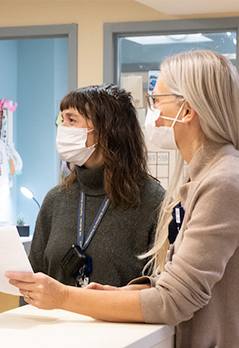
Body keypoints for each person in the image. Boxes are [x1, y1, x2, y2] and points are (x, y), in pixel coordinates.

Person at [5, 49, 239, 348]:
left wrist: (63, 296)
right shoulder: (200, 178)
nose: (152, 112)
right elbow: (177, 278)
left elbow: (175, 300)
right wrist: (134, 290)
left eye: (157, 100)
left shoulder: (227, 182)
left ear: (187, 110)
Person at [32, 84, 165, 287]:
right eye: (62, 120)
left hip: (121, 319)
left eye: (71, 120)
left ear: (106, 129)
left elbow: (160, 290)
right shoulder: (55, 199)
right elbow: (34, 280)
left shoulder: (153, 201)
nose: (63, 128)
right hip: (56, 319)